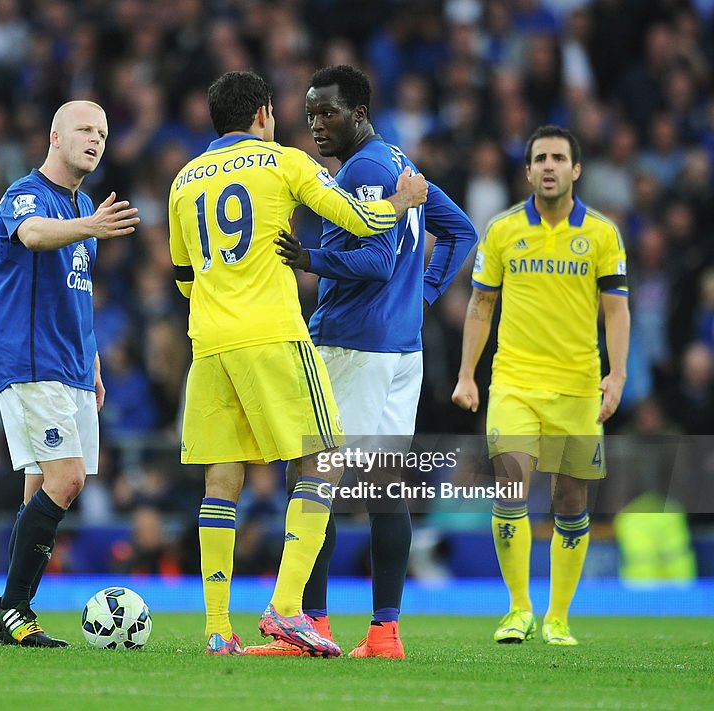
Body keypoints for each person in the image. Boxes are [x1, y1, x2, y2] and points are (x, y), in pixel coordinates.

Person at [169, 70, 428, 656]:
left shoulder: (182, 181)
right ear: (263, 112)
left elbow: (184, 277)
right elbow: (360, 222)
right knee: (324, 460)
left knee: (220, 481)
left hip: (208, 342)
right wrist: (403, 200)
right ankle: (287, 609)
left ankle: (216, 629)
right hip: (274, 335)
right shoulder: (284, 162)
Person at [248, 64, 478, 658]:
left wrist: (312, 260)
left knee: (312, 477)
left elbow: (376, 260)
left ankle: (310, 625)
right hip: (400, 349)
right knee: (382, 488)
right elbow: (459, 232)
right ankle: (384, 632)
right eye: (311, 113)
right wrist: (420, 298)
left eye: (328, 112)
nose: (316, 124)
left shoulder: (365, 170)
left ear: (360, 112)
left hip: (353, 343)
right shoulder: (398, 162)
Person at [452, 125, 630, 646]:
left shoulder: (601, 234)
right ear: (527, 170)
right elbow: (481, 306)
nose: (548, 166)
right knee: (511, 487)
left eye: (558, 158)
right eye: (539, 158)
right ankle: (518, 609)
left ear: (576, 170)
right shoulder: (503, 229)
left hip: (578, 388)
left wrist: (616, 375)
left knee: (571, 500)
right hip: (514, 382)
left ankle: (558, 616)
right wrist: (467, 374)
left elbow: (616, 312)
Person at [0, 100, 139, 647]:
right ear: (55, 136)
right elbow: (31, 235)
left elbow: (80, 294)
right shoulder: (25, 194)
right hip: (31, 361)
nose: (96, 139)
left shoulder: (81, 211)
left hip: (71, 366)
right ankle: (11, 607)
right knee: (66, 480)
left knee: (39, 491)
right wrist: (90, 224)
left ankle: (13, 617)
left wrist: (93, 361)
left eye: (103, 132)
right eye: (84, 129)